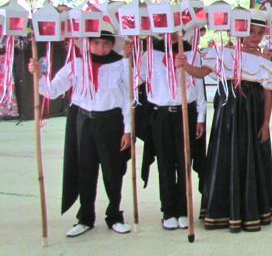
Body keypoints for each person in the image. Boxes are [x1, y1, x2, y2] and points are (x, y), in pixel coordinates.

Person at [174, 9, 272, 232]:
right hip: (228, 113)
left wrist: (266, 123)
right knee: (226, 155)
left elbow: (268, 93)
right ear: (238, 30)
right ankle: (223, 209)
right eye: (251, 31)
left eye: (260, 33)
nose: (256, 36)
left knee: (250, 156)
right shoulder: (222, 53)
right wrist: (184, 65)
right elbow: (201, 72)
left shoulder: (265, 60)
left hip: (253, 114)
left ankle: (252, 209)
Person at [29, 22, 132, 237]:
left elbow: (127, 99)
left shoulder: (122, 64)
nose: (101, 47)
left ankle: (114, 215)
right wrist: (38, 75)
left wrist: (127, 129)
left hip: (111, 122)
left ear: (112, 45)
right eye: (95, 43)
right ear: (88, 43)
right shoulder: (76, 64)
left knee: (113, 171)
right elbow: (52, 90)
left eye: (105, 43)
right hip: (84, 123)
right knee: (85, 170)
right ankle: (85, 218)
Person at [133, 30, 207, 230]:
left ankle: (184, 209)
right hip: (161, 115)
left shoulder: (192, 54)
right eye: (167, 29)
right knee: (165, 164)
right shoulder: (149, 55)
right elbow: (133, 80)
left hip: (186, 114)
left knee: (185, 162)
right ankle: (168, 210)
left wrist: (201, 117)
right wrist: (127, 58)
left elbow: (199, 87)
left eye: (177, 30)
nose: (172, 34)